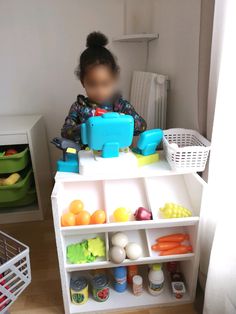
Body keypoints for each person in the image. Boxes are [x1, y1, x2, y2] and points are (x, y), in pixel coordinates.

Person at [61, 31, 146, 145]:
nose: (99, 91)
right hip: (88, 159)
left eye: (105, 84)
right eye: (92, 84)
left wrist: (123, 120)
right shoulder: (79, 107)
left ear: (114, 79)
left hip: (117, 157)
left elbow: (142, 126)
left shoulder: (120, 105)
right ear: (83, 82)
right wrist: (87, 128)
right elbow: (66, 132)